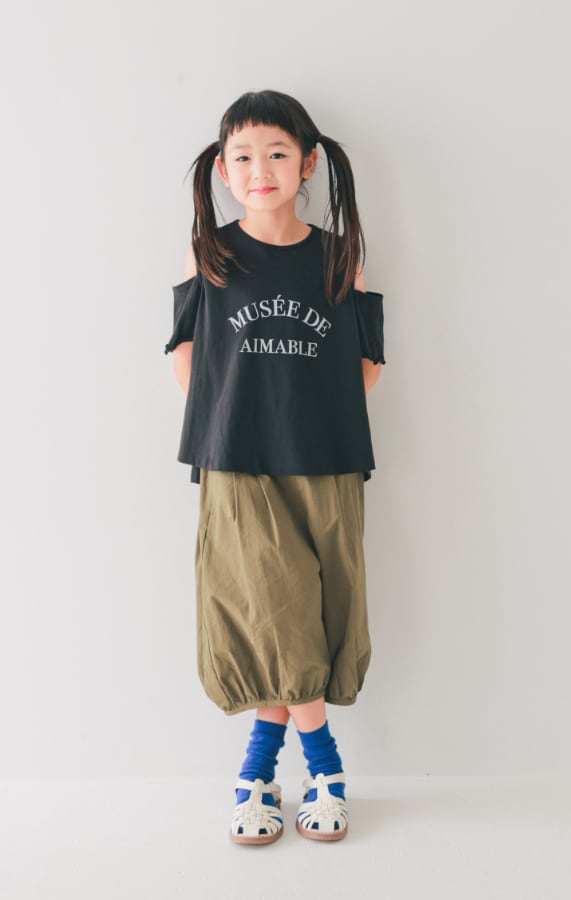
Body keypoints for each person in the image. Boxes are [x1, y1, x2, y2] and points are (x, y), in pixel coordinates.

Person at [164, 89, 385, 845]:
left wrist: (310, 417)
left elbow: (367, 360)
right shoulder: (211, 254)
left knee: (314, 609)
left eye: (278, 153)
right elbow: (186, 352)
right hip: (239, 463)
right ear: (225, 171)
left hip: (327, 462)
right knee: (271, 601)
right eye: (244, 157)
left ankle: (260, 769)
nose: (261, 169)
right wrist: (232, 418)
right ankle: (317, 766)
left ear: (308, 164)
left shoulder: (340, 256)